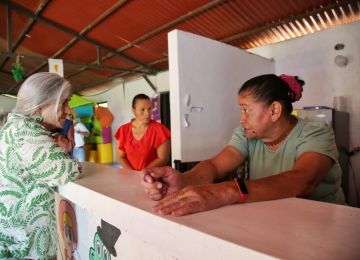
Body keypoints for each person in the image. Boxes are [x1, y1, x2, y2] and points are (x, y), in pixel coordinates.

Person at [141, 74, 345, 216]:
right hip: (273, 220)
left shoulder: (316, 132)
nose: (241, 119)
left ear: (274, 111)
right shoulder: (247, 134)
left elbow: (303, 181)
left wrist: (226, 191)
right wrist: (184, 180)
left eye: (247, 110)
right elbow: (215, 165)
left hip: (322, 225)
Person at [0, 72, 81, 259]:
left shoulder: (20, 127)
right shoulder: (23, 130)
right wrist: (62, 153)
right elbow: (66, 171)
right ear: (39, 107)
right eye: (63, 103)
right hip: (23, 245)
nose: (69, 111)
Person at [115, 93, 171, 170]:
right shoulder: (123, 130)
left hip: (153, 176)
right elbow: (121, 157)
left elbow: (163, 159)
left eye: (149, 109)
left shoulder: (160, 130)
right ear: (133, 110)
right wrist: (133, 174)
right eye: (142, 110)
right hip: (131, 176)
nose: (147, 113)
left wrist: (143, 173)